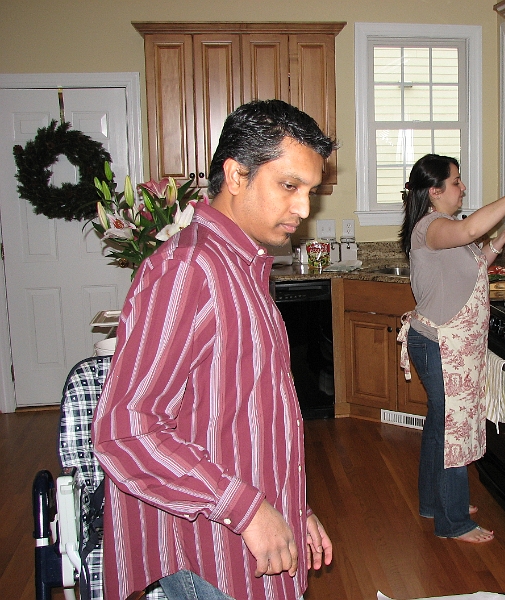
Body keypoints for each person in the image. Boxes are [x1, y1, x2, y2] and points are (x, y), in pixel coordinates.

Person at [93, 99, 336, 600]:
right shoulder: (188, 270)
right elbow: (125, 429)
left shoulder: (242, 265)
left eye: (310, 191)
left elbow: (245, 416)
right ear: (236, 175)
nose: (303, 209)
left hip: (251, 530)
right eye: (289, 186)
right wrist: (247, 509)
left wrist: (293, 507)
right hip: (209, 554)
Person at [397, 154, 505, 543]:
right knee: (454, 431)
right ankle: (453, 520)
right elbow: (466, 232)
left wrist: (501, 240)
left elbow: (472, 262)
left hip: (444, 345)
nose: (462, 189)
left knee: (440, 426)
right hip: (440, 345)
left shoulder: (442, 229)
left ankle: (435, 503)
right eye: (457, 182)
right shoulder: (432, 227)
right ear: (435, 191)